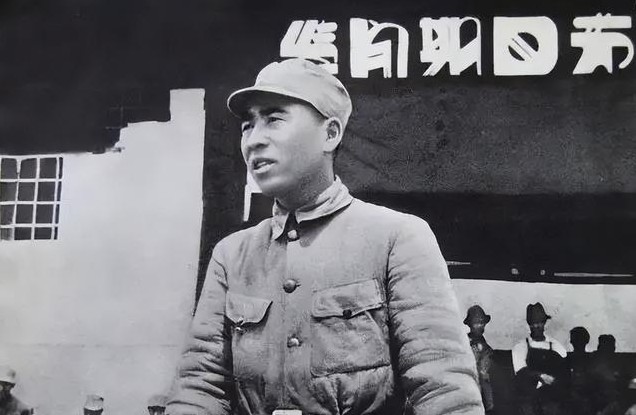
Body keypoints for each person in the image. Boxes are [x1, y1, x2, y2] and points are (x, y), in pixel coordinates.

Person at [166, 58, 483, 415]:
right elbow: (200, 389)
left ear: (330, 134)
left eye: (274, 119)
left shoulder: (397, 238)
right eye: (247, 126)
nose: (254, 140)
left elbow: (445, 393)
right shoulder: (232, 255)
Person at [512, 303, 568, 415]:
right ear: (529, 325)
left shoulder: (556, 346)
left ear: (544, 323)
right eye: (533, 323)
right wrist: (540, 376)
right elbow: (521, 372)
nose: (537, 326)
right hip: (530, 401)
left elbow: (564, 372)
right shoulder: (521, 347)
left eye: (540, 322)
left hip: (552, 401)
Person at [464, 305, 496, 414]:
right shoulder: (464, 343)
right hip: (468, 387)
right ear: (470, 324)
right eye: (476, 323)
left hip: (484, 392)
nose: (480, 326)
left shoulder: (487, 348)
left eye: (482, 322)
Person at [566, 326, 593, 415]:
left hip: (587, 397)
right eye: (574, 340)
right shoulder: (567, 359)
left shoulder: (591, 359)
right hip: (571, 397)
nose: (572, 342)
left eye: (577, 339)